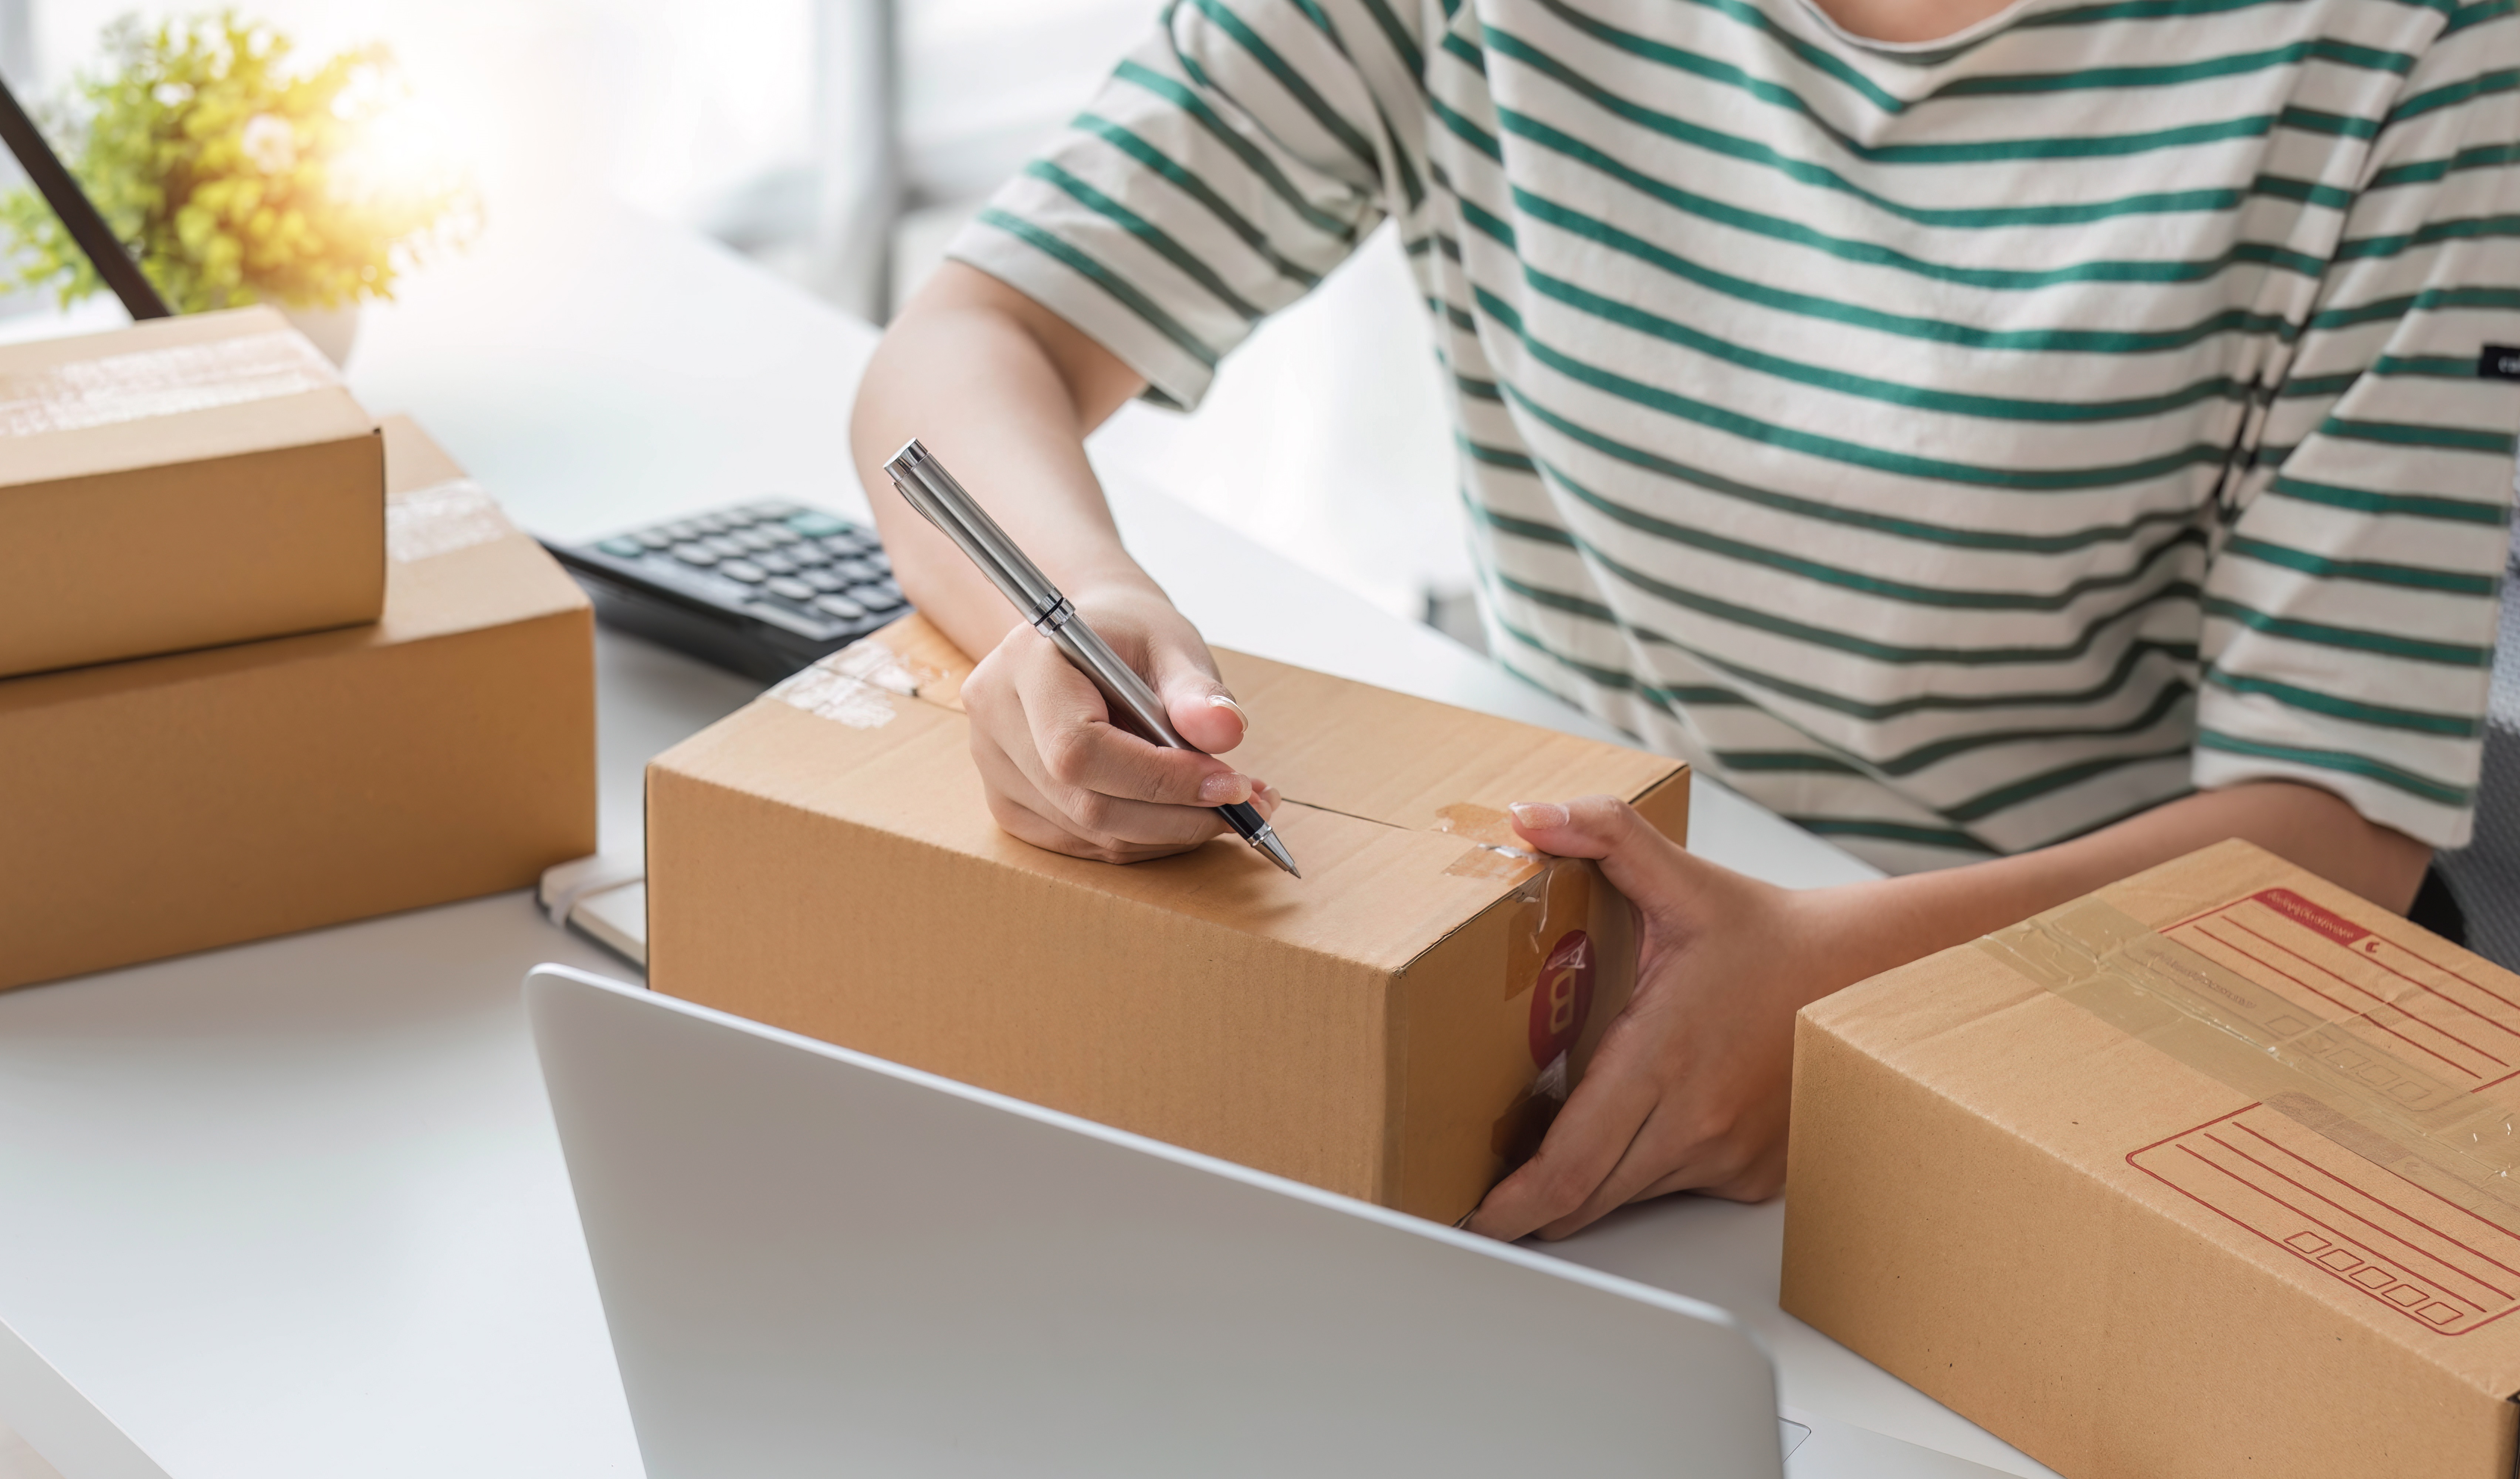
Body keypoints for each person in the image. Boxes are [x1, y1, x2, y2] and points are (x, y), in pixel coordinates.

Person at [851, 0, 2518, 1242]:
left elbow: (2337, 827)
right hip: (1566, 985)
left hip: (2078, 1024)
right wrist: (1069, 618)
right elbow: (978, 335)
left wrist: (1832, 982)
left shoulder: (2422, 61)